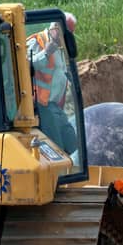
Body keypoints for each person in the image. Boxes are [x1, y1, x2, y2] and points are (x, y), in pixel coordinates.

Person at [26, 14, 78, 154]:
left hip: (55, 106)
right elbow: (24, 66)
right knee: (57, 148)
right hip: (42, 106)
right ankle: (59, 175)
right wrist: (46, 53)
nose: (67, 38)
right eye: (67, 33)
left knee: (72, 144)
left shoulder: (59, 47)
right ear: (56, 28)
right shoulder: (37, 41)